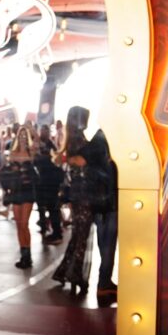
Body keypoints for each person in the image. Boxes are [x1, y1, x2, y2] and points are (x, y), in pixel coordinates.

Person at [52, 106, 95, 295]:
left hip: (79, 192)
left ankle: (66, 271)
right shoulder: (79, 140)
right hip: (84, 193)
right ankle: (74, 274)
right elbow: (81, 162)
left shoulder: (73, 139)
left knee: (78, 234)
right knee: (81, 235)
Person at [1, 127, 38, 269]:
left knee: (24, 224)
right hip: (16, 191)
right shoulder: (12, 153)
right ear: (17, 137)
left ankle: (28, 257)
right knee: (18, 224)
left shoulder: (31, 152)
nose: (22, 137)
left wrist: (32, 131)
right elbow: (6, 168)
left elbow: (37, 144)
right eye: (20, 135)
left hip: (28, 191)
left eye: (25, 135)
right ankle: (24, 256)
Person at [89, 130, 118, 296]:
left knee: (104, 245)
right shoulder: (111, 161)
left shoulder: (93, 159)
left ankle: (104, 281)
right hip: (109, 206)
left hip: (99, 206)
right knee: (108, 246)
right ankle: (104, 282)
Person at [34, 124, 63, 244]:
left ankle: (57, 232)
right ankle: (44, 226)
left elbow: (56, 160)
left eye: (45, 131)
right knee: (41, 206)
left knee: (53, 207)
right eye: (42, 131)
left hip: (51, 181)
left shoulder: (51, 145)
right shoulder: (36, 144)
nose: (43, 133)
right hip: (40, 180)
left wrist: (44, 158)